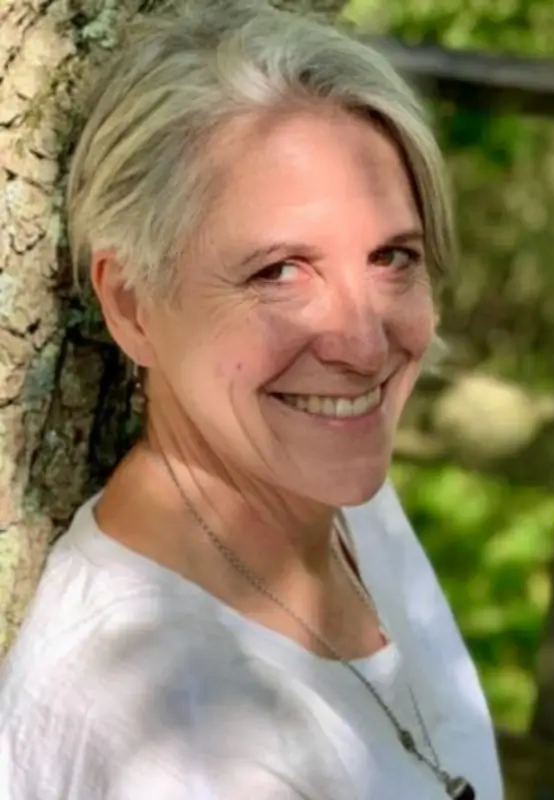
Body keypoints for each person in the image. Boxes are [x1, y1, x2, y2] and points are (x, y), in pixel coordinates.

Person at [0, 2, 503, 798]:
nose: (364, 346)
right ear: (131, 304)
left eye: (392, 257)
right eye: (278, 271)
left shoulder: (332, 499)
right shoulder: (177, 739)